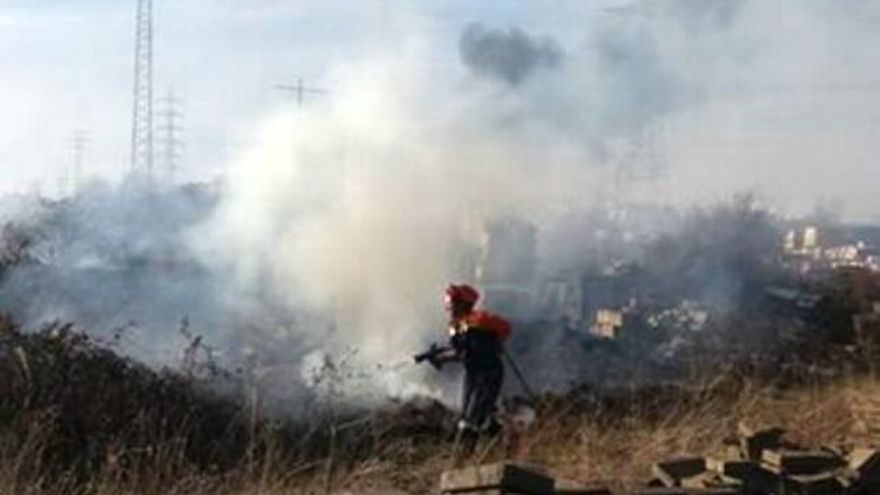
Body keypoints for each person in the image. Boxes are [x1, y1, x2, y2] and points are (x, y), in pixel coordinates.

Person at [435, 283, 512, 457]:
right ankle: (500, 447)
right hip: (473, 374)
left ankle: (464, 457)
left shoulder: (476, 325)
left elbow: (467, 353)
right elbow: (458, 350)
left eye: (452, 305)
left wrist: (444, 358)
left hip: (487, 373)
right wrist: (439, 356)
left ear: (463, 304)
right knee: (470, 412)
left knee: (473, 416)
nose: (449, 309)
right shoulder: (457, 326)